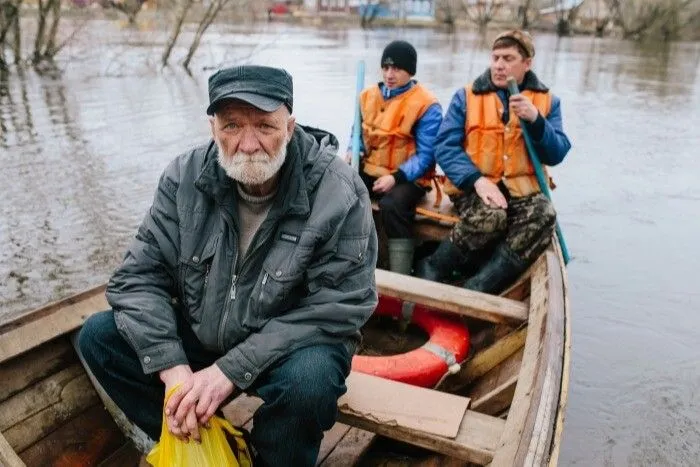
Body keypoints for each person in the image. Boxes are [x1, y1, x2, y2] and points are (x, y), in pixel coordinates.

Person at [78, 65, 378, 467]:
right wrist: (173, 368)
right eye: (232, 125)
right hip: (206, 331)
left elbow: (340, 306)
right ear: (212, 127)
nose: (248, 143)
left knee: (309, 383)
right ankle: (211, 440)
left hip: (287, 346)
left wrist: (230, 371)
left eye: (265, 126)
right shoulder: (183, 178)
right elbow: (137, 279)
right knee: (99, 337)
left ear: (290, 127)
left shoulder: (338, 192)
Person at [416, 30, 571, 293]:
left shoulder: (547, 102)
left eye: (508, 58)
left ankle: (480, 285)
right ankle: (433, 266)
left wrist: (536, 121)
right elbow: (444, 146)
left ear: (527, 63)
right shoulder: (466, 96)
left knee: (544, 215)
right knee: (491, 216)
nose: (499, 65)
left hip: (522, 190)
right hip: (473, 186)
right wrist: (476, 180)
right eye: (495, 57)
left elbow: (556, 154)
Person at [346, 40, 442, 274]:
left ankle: (400, 274)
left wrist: (395, 177)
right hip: (371, 168)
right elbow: (356, 132)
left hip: (409, 177)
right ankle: (347, 259)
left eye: (397, 69)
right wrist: (351, 149)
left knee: (393, 206)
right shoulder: (367, 95)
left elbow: (427, 155)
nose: (390, 74)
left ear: (410, 71)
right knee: (339, 191)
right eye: (386, 68)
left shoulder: (427, 104)